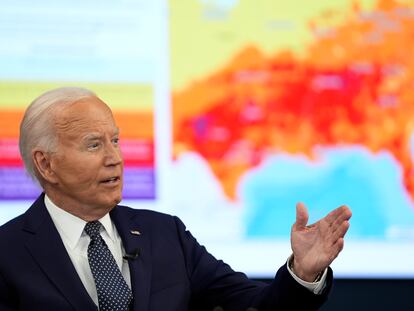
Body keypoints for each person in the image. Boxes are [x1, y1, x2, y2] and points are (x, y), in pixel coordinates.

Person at [0, 87, 352, 311]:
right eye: (94, 145)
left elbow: (255, 305)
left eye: (116, 141)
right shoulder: (8, 252)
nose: (115, 158)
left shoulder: (164, 234)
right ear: (46, 164)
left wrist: (303, 272)